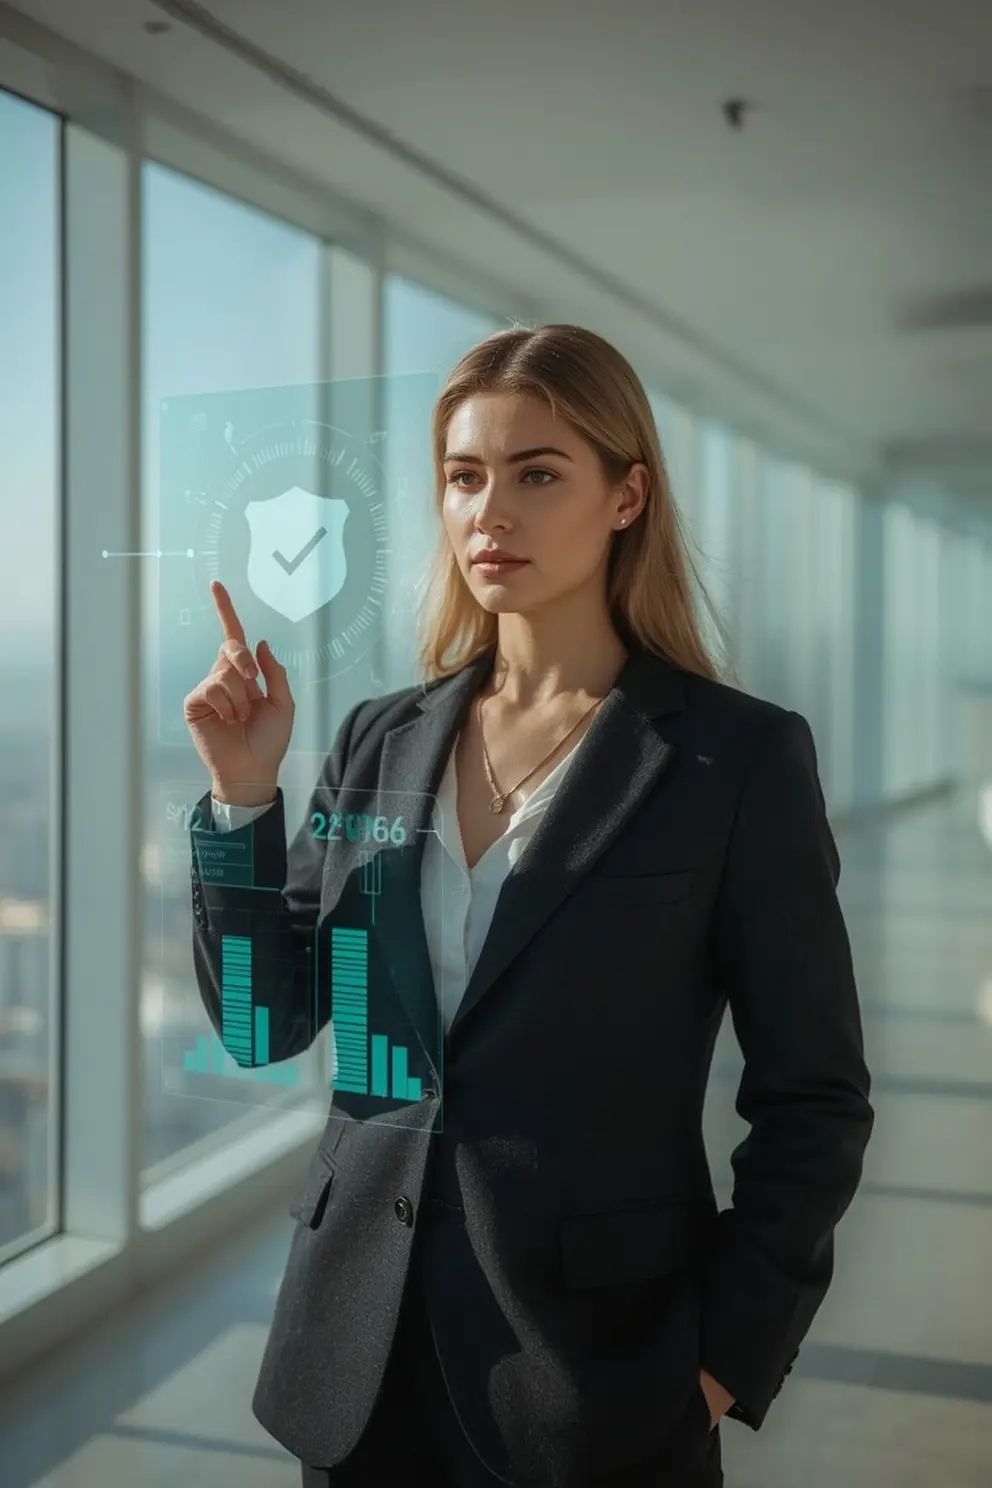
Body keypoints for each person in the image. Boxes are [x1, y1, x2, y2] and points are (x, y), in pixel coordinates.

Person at [184, 324, 875, 1488]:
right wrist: (242, 794)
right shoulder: (378, 740)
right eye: (463, 477)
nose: (487, 512)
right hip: (354, 1363)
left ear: (625, 496)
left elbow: (814, 1100)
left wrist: (720, 1364)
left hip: (601, 1379)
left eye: (536, 473)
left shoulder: (731, 760)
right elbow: (267, 1022)